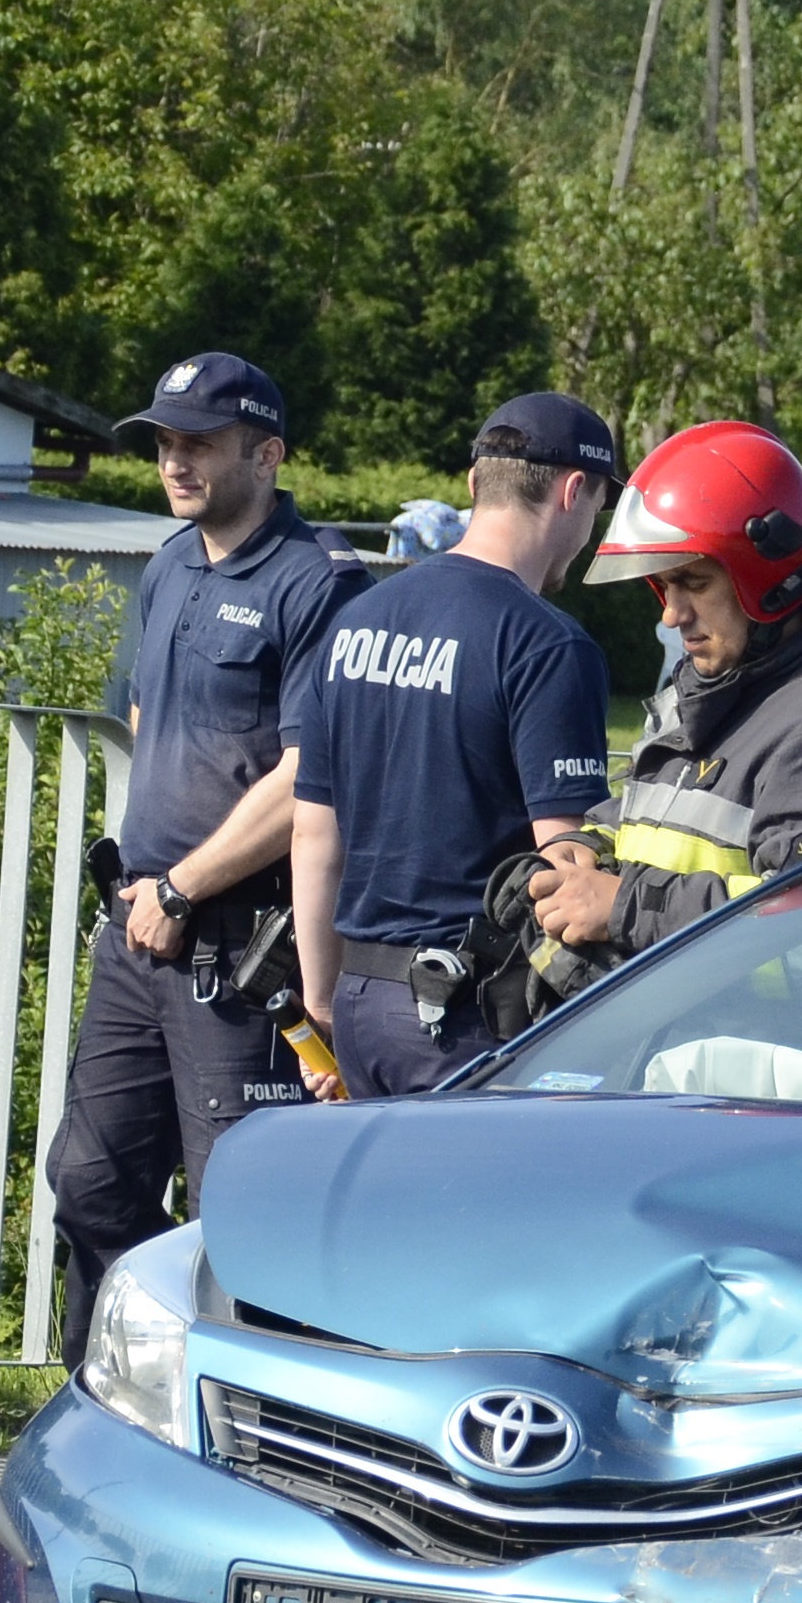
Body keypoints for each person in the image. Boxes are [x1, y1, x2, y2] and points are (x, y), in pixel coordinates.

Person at [49, 351, 356, 1356]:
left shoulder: (316, 587)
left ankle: (230, 1430)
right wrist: (154, 889)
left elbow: (308, 779)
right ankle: (103, 1402)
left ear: (266, 454)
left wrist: (187, 883)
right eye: (165, 442)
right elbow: (144, 715)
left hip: (235, 947)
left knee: (235, 1215)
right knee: (92, 1182)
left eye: (199, 443)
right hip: (138, 937)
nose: (175, 462)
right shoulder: (170, 564)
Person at [285, 394, 624, 1096]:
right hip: (461, 1017)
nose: (591, 531)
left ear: (475, 485)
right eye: (598, 508)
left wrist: (321, 1001)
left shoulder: (354, 622)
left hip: (357, 1002)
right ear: (572, 492)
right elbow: (567, 863)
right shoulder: (548, 644)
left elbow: (315, 832)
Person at [521, 423, 802, 981]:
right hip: (674, 1050)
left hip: (758, 1063)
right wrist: (581, 849)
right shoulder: (707, 697)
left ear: (771, 580)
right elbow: (649, 828)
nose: (671, 613)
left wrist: (625, 907)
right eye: (664, 586)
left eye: (695, 582)